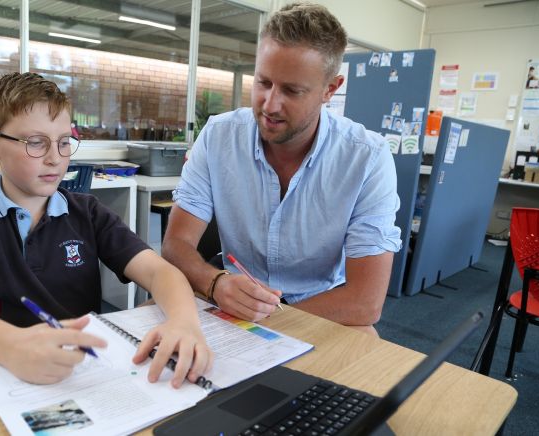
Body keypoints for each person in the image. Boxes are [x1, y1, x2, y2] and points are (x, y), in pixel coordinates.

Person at [0, 72, 212, 387]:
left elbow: (160, 273)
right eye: (36, 143)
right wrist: (11, 345)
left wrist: (184, 323)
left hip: (73, 376)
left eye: (63, 142)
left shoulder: (87, 212)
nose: (56, 159)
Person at [162, 3, 401, 335]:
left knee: (369, 375)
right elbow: (175, 244)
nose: (270, 105)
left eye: (292, 90)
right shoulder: (218, 135)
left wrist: (266, 324)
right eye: (263, 82)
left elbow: (365, 302)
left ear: (330, 89)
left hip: (324, 307)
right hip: (233, 294)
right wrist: (215, 283)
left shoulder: (367, 158)